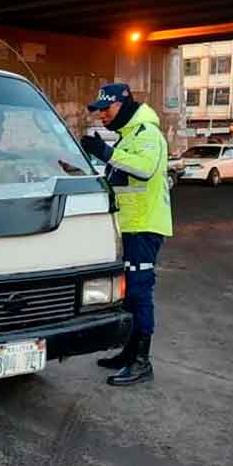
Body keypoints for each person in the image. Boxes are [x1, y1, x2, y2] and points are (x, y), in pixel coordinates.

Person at [80, 83, 173, 387]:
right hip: (127, 227)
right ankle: (129, 352)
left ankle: (142, 362)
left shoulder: (147, 133)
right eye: (99, 110)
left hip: (145, 228)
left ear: (124, 104)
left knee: (139, 292)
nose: (102, 115)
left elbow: (144, 170)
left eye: (106, 109)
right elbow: (117, 179)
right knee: (127, 293)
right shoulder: (129, 136)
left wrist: (105, 152)